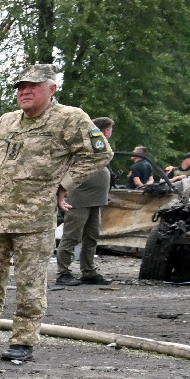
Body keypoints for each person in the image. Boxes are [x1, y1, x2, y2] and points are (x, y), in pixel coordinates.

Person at [0, 63, 109, 364]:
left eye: (32, 87)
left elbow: (100, 153)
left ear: (51, 89)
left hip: (34, 220)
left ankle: (23, 341)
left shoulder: (70, 119)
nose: (24, 92)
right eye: (20, 87)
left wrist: (65, 185)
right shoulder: (5, 122)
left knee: (30, 283)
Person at [56, 115, 115, 285]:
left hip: (95, 200)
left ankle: (88, 271)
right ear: (105, 130)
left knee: (92, 236)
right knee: (72, 236)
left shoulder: (99, 147)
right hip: (79, 198)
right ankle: (63, 272)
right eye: (109, 130)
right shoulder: (87, 142)